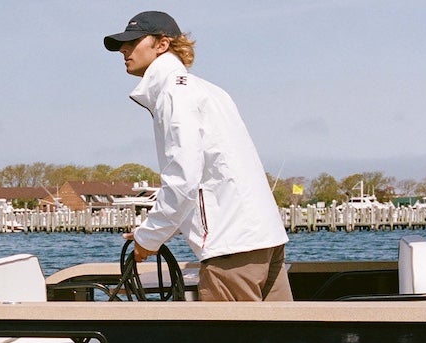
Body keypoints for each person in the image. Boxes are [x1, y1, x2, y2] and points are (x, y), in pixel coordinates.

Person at [104, 11, 292, 301]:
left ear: (162, 44)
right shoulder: (210, 90)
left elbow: (183, 181)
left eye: (132, 42)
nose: (123, 50)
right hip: (266, 238)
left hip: (230, 246)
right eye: (121, 45)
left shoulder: (173, 95)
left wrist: (148, 238)